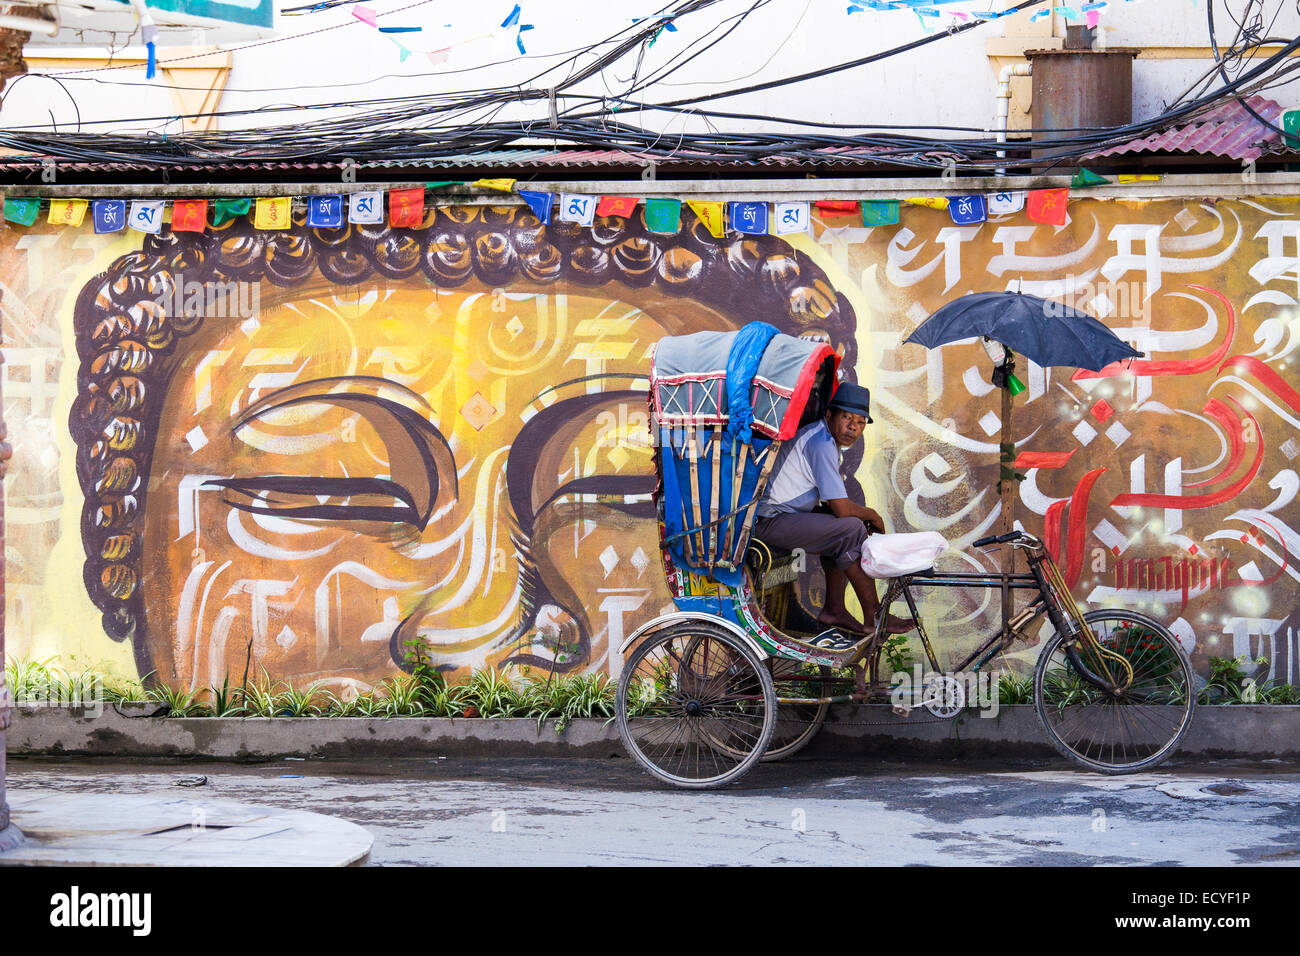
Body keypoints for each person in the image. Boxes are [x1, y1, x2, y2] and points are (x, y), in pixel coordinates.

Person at [753, 382, 913, 636]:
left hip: (785, 517)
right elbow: (840, 507)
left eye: (861, 422)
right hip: (770, 520)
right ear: (830, 415)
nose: (853, 427)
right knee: (849, 527)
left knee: (843, 529)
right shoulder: (820, 443)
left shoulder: (824, 439)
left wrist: (862, 517)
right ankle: (875, 616)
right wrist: (871, 514)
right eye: (847, 417)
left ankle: (834, 609)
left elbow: (833, 506)